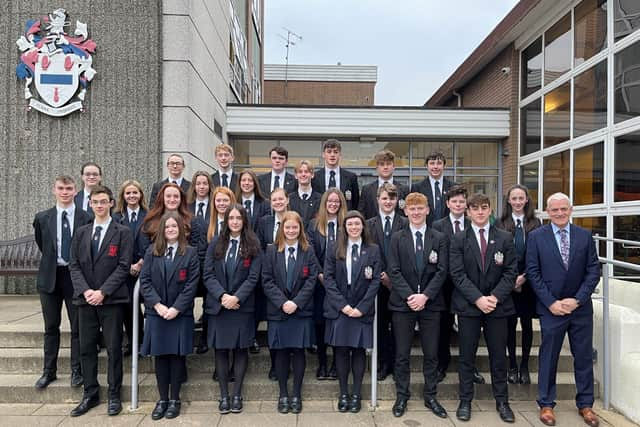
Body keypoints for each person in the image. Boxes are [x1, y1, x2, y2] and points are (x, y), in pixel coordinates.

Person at [526, 193, 600, 427]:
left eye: (563, 209)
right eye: (554, 210)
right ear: (547, 212)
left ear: (571, 210)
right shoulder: (536, 237)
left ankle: (586, 404)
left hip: (579, 309)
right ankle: (546, 403)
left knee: (583, 357)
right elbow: (533, 272)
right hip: (551, 309)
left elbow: (593, 271)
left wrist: (577, 300)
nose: (559, 213)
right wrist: (551, 303)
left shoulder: (585, 236)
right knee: (549, 357)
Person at [449, 193, 517, 423]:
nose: (479, 212)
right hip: (469, 307)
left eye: (484, 207)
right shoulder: (458, 239)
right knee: (467, 356)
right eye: (475, 208)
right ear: (467, 212)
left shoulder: (506, 238)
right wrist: (478, 299)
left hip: (497, 308)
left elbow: (510, 273)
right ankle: (465, 400)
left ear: (490, 210)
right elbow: (457, 274)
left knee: (499, 356)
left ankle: (502, 401)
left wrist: (494, 297)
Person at [69, 186, 133, 417]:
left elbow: (124, 266)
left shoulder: (122, 232)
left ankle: (114, 394)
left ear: (111, 203)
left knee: (114, 348)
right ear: (90, 204)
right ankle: (90, 393)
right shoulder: (81, 232)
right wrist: (86, 291)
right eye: (95, 202)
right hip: (85, 301)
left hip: (112, 300)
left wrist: (103, 292)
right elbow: (73, 265)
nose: (99, 205)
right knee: (86, 348)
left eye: (103, 201)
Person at [387, 192, 449, 419]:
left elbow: (442, 270)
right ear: (405, 212)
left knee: (431, 353)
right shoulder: (396, 237)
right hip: (403, 305)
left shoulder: (439, 237)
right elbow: (393, 270)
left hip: (431, 305)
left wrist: (425, 297)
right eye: (412, 209)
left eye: (419, 208)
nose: (416, 212)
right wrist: (411, 296)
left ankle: (431, 395)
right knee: (402, 354)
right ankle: (402, 395)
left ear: (427, 210)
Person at [33, 175, 92, 390]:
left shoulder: (86, 218)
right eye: (61, 188)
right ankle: (49, 371)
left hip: (75, 277)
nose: (65, 192)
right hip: (51, 277)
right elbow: (43, 244)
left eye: (69, 188)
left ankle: (77, 370)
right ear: (54, 190)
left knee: (77, 327)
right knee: (51, 326)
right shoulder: (42, 217)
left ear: (75, 191)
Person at [139, 212, 199, 420]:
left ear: (181, 229)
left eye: (175, 226)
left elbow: (191, 285)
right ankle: (162, 399)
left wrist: (175, 308)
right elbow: (145, 281)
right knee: (161, 357)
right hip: (157, 313)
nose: (171, 230)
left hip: (180, 314)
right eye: (167, 227)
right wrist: (158, 305)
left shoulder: (190, 253)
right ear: (162, 230)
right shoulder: (152, 252)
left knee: (177, 357)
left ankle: (175, 399)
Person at [203, 205, 262, 414]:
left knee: (240, 349)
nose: (235, 221)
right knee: (220, 350)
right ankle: (223, 396)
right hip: (220, 307)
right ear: (226, 220)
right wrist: (223, 296)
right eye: (231, 218)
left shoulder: (253, 244)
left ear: (244, 221)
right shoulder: (215, 244)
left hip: (241, 306)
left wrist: (236, 297)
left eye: (239, 218)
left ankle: (237, 394)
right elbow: (207, 274)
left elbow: (254, 277)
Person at [323, 210, 381, 413]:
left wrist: (361, 308)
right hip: (340, 309)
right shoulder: (334, 248)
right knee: (340, 351)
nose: (354, 227)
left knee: (358, 352)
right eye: (350, 224)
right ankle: (343, 394)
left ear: (363, 226)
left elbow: (375, 281)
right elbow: (328, 279)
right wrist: (343, 306)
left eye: (357, 224)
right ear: (344, 228)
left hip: (361, 310)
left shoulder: (372, 250)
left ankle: (356, 393)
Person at [261, 211, 318, 414]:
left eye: (295, 227)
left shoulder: (308, 251)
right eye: (287, 227)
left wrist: (297, 303)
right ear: (281, 229)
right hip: (279, 311)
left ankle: (296, 394)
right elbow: (266, 280)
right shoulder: (271, 251)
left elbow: (312, 280)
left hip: (300, 312)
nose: (291, 231)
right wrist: (283, 302)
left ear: (300, 229)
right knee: (282, 353)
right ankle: (283, 393)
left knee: (299, 352)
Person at [432, 185, 486, 385]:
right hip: (445, 285)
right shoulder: (438, 225)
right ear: (447, 204)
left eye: (462, 202)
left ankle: (470, 368)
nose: (458, 205)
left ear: (466, 205)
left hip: (470, 285)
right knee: (443, 328)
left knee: (469, 332)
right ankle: (442, 365)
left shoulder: (474, 223)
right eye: (454, 201)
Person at [496, 184, 541, 385]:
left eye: (520, 198)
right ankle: (512, 365)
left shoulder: (536, 223)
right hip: (507, 282)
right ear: (508, 201)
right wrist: (511, 279)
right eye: (513, 198)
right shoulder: (500, 223)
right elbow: (498, 254)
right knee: (509, 325)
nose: (517, 202)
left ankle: (524, 366)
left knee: (527, 324)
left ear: (526, 200)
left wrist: (524, 277)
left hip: (529, 281)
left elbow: (538, 255)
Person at [365, 183, 408, 381]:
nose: (388, 202)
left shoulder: (406, 223)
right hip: (378, 284)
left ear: (397, 201)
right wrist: (381, 274)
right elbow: (367, 252)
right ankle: (383, 363)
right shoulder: (368, 224)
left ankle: (398, 365)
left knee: (400, 327)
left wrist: (393, 276)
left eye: (392, 198)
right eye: (384, 198)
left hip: (401, 285)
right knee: (380, 326)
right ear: (378, 200)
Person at [306, 188, 347, 381]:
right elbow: (310, 252)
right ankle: (322, 363)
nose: (333, 204)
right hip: (319, 284)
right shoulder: (314, 225)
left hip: (341, 286)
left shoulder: (347, 225)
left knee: (338, 324)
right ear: (324, 203)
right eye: (330, 201)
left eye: (336, 202)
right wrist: (321, 275)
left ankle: (335, 365)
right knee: (321, 324)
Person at [112, 180, 150, 357]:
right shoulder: (116, 217)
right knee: (129, 307)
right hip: (124, 270)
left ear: (141, 194)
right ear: (123, 196)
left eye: (135, 192)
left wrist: (141, 263)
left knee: (148, 306)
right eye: (128, 193)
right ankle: (133, 341)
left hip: (146, 268)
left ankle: (146, 342)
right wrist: (128, 266)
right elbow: (113, 244)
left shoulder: (149, 216)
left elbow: (153, 242)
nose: (132, 196)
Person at [256, 187, 290, 376]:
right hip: (271, 281)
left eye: (281, 199)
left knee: (288, 324)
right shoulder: (264, 222)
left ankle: (287, 363)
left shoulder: (294, 220)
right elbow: (259, 248)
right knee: (273, 324)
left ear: (287, 200)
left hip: (291, 281)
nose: (277, 202)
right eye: (274, 200)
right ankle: (274, 364)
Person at [358, 149, 409, 220]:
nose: (385, 167)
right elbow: (362, 214)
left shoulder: (404, 189)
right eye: (382, 164)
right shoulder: (367, 189)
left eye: (388, 164)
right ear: (377, 167)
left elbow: (408, 214)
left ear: (394, 166)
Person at [312, 139, 360, 211]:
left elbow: (355, 202)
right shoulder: (314, 177)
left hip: (344, 218)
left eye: (335, 152)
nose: (332, 155)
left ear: (340, 155)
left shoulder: (351, 177)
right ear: (323, 154)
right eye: (329, 152)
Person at [412, 151, 454, 226]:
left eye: (439, 163)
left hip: (448, 232)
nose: (435, 167)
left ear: (444, 166)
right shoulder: (417, 187)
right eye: (432, 163)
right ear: (427, 166)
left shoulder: (453, 187)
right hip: (426, 232)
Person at [289, 160, 321, 226]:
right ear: (295, 175)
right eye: (300, 172)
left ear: (312, 175)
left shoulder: (321, 199)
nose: (303, 174)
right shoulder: (289, 199)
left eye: (306, 172)